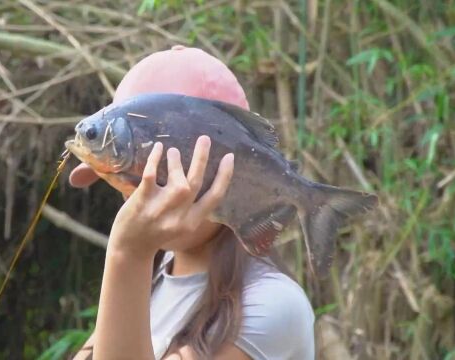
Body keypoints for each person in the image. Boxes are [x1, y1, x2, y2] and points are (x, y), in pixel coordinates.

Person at [70, 46, 315, 360]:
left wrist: (127, 253)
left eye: (163, 174)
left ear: (224, 174)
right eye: (123, 178)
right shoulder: (152, 281)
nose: (140, 193)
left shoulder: (273, 305)